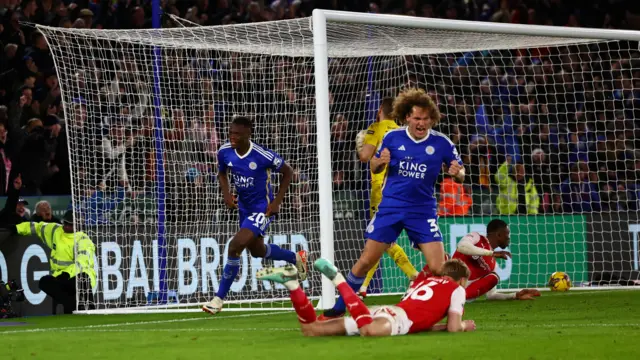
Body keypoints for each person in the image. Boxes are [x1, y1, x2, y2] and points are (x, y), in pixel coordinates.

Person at [321, 88, 465, 320]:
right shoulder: (392, 137)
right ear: (407, 117)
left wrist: (458, 173)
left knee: (439, 268)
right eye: (417, 118)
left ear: (432, 119)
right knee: (366, 260)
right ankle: (339, 306)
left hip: (422, 210)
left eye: (426, 118)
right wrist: (379, 161)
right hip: (391, 207)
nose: (421, 123)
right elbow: (374, 166)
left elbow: (461, 172)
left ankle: (448, 306)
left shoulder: (442, 143)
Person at [202, 116, 307, 315]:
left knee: (235, 246)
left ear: (248, 134)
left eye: (237, 134)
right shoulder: (224, 152)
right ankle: (296, 257)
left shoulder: (262, 155)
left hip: (262, 208)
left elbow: (288, 172)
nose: (232, 137)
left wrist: (276, 202)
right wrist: (226, 194)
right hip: (243, 208)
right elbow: (222, 173)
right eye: (230, 132)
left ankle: (218, 299)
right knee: (257, 251)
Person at [258, 258, 476, 337]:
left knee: (311, 329)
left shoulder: (424, 281)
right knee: (369, 331)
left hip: (382, 312)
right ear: (462, 280)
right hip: (394, 320)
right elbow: (454, 327)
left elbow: (424, 321)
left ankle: (293, 286)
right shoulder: (457, 289)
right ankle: (339, 280)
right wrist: (465, 325)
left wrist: (441, 326)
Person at [355, 97, 419, 298]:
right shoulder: (402, 132)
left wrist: (366, 146)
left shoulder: (376, 128)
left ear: (380, 109)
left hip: (381, 191)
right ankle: (364, 286)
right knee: (379, 240)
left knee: (382, 240)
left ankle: (414, 275)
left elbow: (364, 156)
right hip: (401, 189)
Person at [418, 219, 541, 300]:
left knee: (494, 277)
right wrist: (491, 253)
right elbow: (461, 247)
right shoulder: (477, 237)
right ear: (498, 235)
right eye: (507, 234)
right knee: (444, 256)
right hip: (444, 278)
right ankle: (416, 288)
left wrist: (515, 295)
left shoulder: (493, 266)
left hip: (460, 289)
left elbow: (491, 295)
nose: (509, 238)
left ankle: (456, 297)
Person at [11, 210, 96, 314]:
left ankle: (90, 309)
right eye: (65, 223)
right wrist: (16, 228)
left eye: (71, 225)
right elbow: (37, 227)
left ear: (78, 225)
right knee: (44, 281)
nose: (67, 227)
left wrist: (67, 274)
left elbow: (82, 262)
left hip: (78, 277)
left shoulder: (83, 240)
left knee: (82, 278)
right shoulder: (56, 230)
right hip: (60, 277)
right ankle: (72, 305)